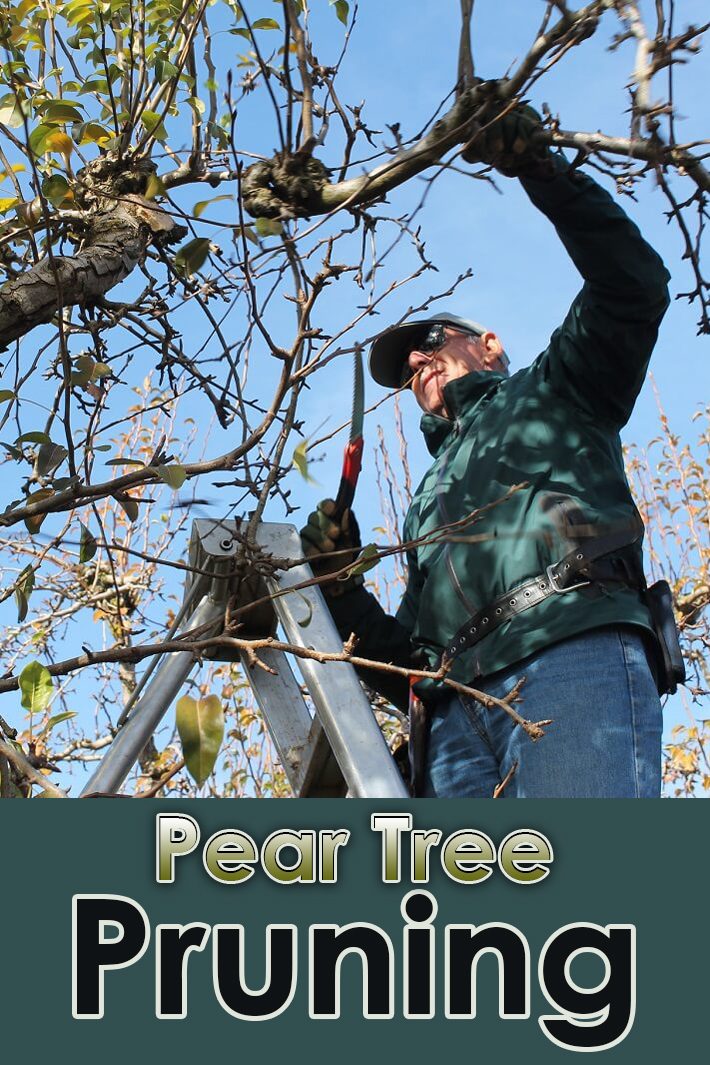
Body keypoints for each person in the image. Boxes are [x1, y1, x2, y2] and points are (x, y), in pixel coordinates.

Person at [300, 93, 672, 798]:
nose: (416, 363)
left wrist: (538, 166)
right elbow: (408, 656)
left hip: (569, 651)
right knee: (467, 912)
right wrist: (339, 589)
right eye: (406, 367)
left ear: (489, 345)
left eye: (429, 342)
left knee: (590, 890)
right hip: (449, 721)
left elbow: (633, 285)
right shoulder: (425, 502)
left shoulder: (557, 388)